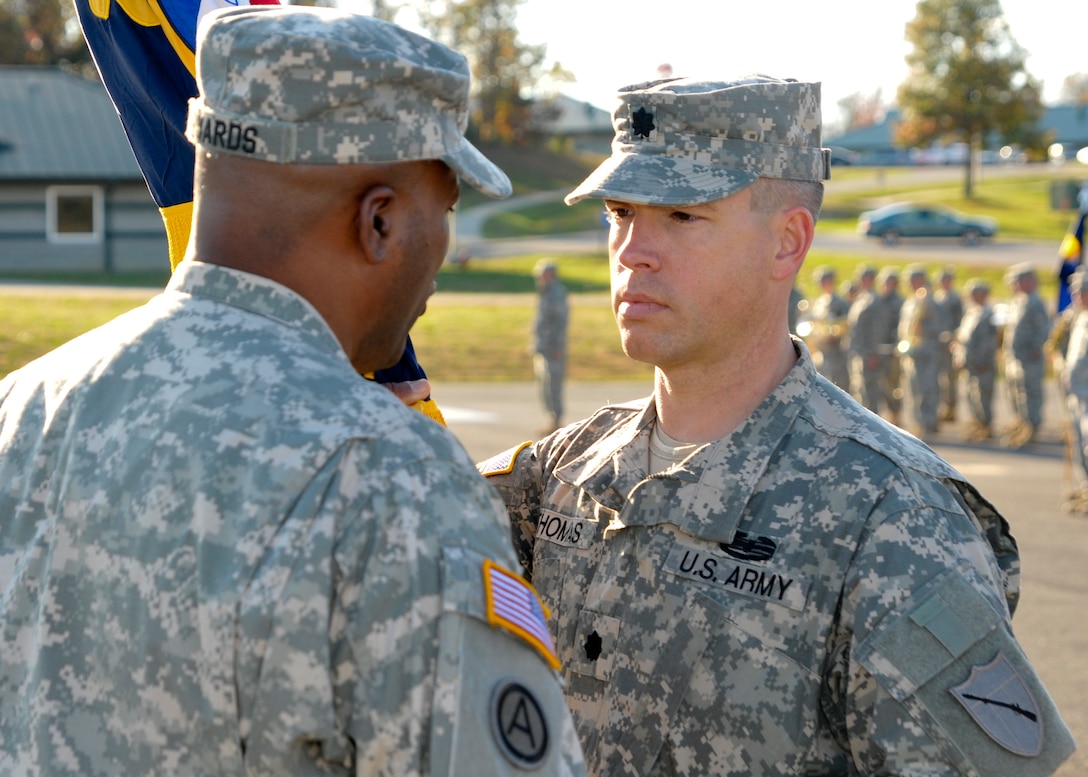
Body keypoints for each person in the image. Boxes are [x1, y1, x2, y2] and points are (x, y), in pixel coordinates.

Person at [0, 8, 586, 775]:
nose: (442, 251)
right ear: (379, 221)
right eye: (442, 210)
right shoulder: (388, 474)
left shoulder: (22, 411)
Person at [478, 74, 1075, 776]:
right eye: (620, 212)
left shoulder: (892, 519)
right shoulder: (563, 471)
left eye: (683, 216)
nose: (632, 250)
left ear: (787, 243)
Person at [1003, 263, 1052, 448]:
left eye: (1017, 281)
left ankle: (1032, 426)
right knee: (1017, 391)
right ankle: (1022, 421)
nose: (1013, 285)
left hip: (1030, 358)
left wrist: (1035, 348)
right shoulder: (1018, 301)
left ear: (1029, 281)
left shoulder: (1035, 302)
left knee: (1030, 392)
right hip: (1016, 357)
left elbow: (1043, 329)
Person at [898, 265, 943, 437]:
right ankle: (918, 421)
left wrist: (923, 327)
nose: (909, 283)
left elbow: (940, 326)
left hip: (926, 351)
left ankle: (928, 421)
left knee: (927, 387)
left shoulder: (929, 301)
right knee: (913, 387)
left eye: (912, 279)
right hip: (912, 350)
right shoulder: (911, 301)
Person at [955, 278, 999, 442]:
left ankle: (986, 425)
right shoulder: (972, 312)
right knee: (971, 394)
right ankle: (977, 422)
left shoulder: (988, 314)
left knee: (983, 395)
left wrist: (982, 360)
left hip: (982, 363)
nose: (972, 296)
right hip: (970, 362)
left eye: (976, 293)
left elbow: (989, 341)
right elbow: (964, 338)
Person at [1059, 269, 1088, 512]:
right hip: (1078, 392)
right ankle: (1086, 487)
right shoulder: (1079, 317)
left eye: (1080, 292)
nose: (1075, 296)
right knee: (1080, 445)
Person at [532, 259, 570, 433]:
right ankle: (551, 419)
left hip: (553, 348)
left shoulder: (556, 293)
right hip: (543, 347)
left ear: (551, 274)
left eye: (542, 274)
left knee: (553, 385)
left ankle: (556, 420)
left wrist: (557, 347)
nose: (539, 277)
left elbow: (560, 324)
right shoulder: (545, 293)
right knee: (544, 385)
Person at [808, 265, 851, 391]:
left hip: (836, 353)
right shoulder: (820, 301)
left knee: (836, 386)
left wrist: (832, 334)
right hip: (821, 350)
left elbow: (845, 326)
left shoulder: (839, 302)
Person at [873, 266, 905, 425]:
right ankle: (888, 413)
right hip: (879, 349)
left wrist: (897, 348)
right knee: (881, 385)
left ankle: (895, 414)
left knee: (893, 384)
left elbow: (901, 328)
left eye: (891, 282)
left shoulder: (899, 302)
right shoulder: (879, 301)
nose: (887, 286)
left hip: (892, 349)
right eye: (885, 282)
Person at [933, 267, 964, 423]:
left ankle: (951, 408)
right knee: (940, 378)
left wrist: (953, 341)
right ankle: (944, 406)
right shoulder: (937, 297)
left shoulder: (955, 299)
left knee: (949, 379)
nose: (943, 283)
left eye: (946, 280)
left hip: (949, 344)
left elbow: (959, 322)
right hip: (938, 344)